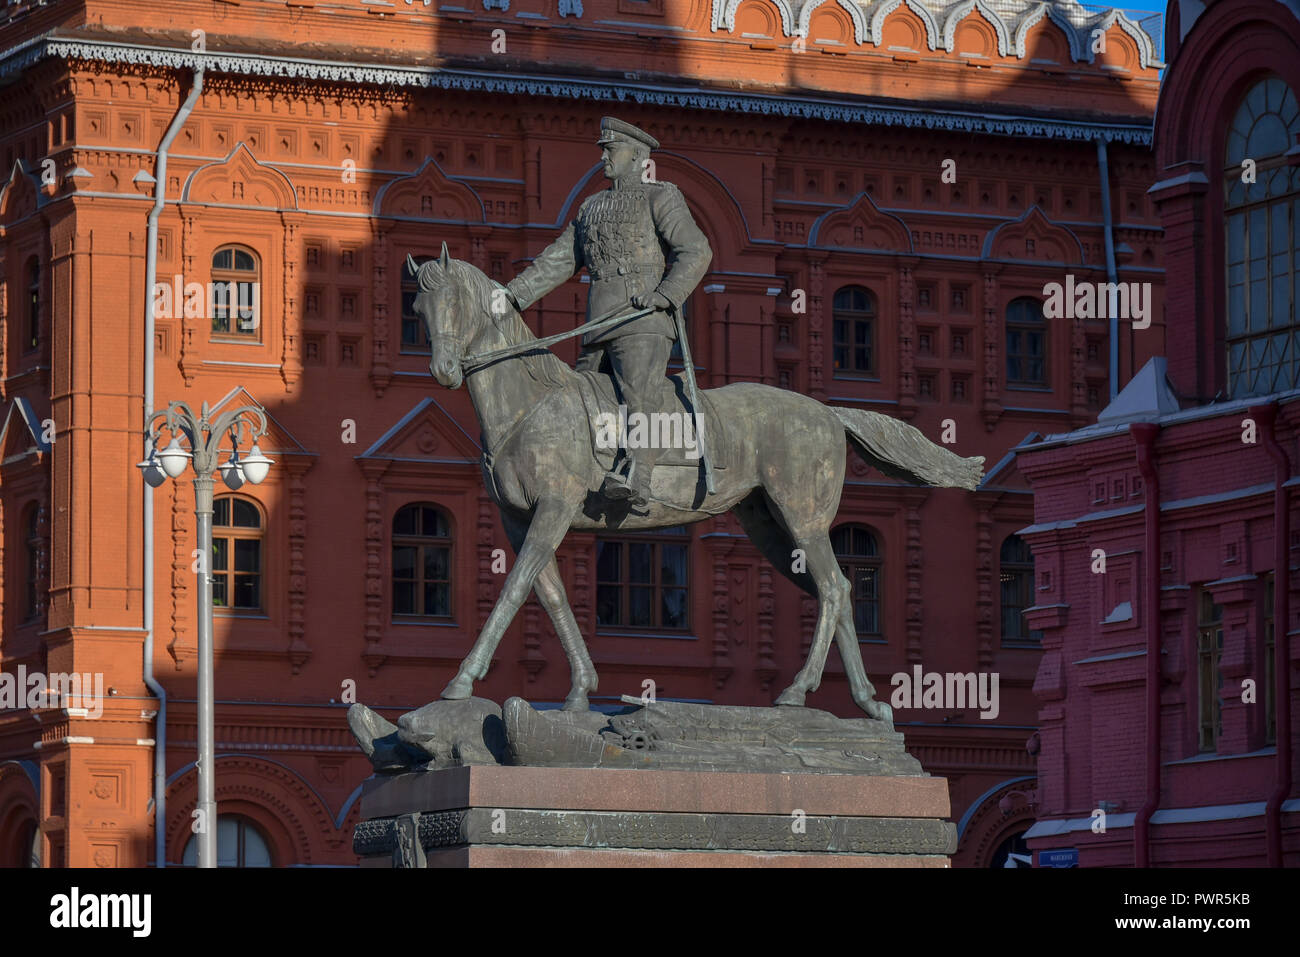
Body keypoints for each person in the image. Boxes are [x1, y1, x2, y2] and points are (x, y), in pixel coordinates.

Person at [504, 116, 712, 511]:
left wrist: (666, 295)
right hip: (599, 322)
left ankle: (639, 478)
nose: (603, 157)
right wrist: (512, 296)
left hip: (642, 319)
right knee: (576, 397)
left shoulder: (660, 197)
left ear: (637, 156)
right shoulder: (591, 207)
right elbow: (559, 261)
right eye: (603, 149)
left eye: (610, 149)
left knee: (639, 391)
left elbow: (696, 250)